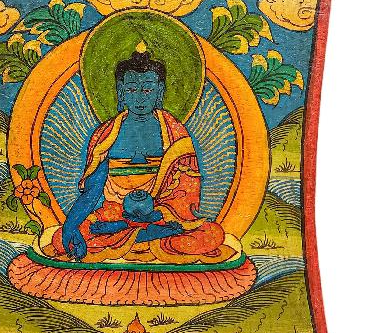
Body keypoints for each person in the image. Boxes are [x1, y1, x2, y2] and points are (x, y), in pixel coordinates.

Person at [47, 43, 233, 264]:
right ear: (121, 91)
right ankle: (143, 236)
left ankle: (135, 235)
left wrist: (156, 215)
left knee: (212, 234)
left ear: (160, 91)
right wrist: (71, 225)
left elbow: (185, 194)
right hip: (116, 214)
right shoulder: (106, 135)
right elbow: (92, 192)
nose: (140, 98)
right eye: (132, 90)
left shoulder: (175, 134)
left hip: (160, 216)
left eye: (147, 90)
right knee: (62, 238)